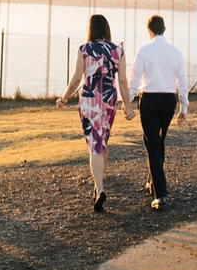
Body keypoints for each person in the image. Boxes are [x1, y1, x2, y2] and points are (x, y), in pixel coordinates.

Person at [56, 13, 134, 211]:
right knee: (102, 140)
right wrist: (127, 105)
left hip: (89, 100)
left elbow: (76, 78)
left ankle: (99, 190)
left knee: (94, 143)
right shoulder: (118, 51)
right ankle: (99, 182)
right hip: (109, 100)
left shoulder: (84, 50)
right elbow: (122, 81)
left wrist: (64, 98)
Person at [128, 14, 188, 210]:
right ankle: (152, 181)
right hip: (169, 100)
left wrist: (127, 102)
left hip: (150, 100)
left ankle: (160, 194)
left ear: (149, 31)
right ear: (164, 30)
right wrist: (184, 108)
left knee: (153, 143)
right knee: (159, 141)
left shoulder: (144, 51)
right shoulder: (176, 53)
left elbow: (134, 80)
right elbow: (182, 83)